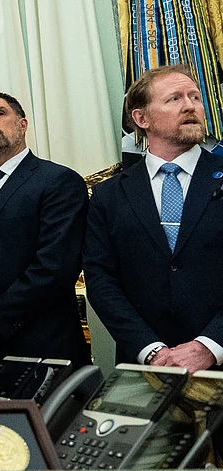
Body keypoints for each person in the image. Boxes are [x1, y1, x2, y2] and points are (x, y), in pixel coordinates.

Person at [85, 65, 223, 372]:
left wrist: (210, 345)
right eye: (174, 99)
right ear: (141, 118)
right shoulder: (109, 195)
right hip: (145, 372)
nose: (190, 106)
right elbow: (100, 278)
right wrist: (150, 350)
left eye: (195, 97)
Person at [0, 91, 89, 365]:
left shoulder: (59, 181)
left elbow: (55, 266)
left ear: (22, 124)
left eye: (0, 114)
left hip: (43, 346)